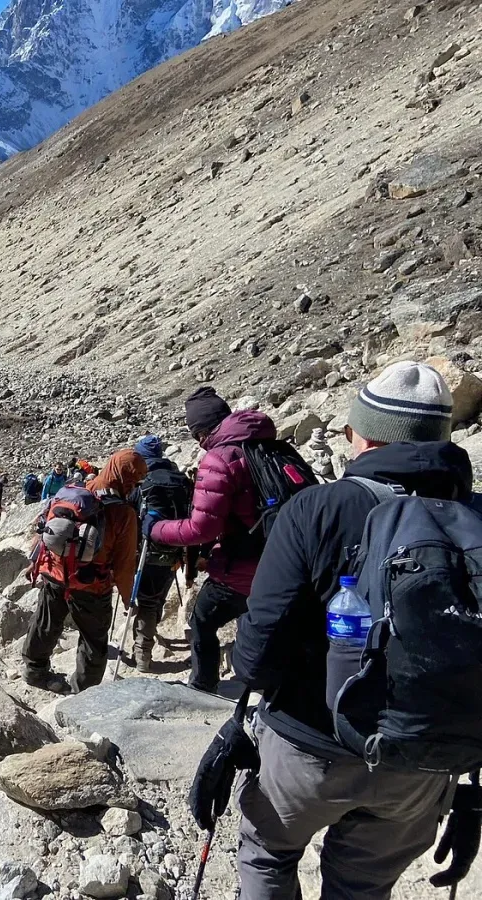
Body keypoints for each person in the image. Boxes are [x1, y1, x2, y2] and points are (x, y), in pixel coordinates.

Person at [232, 362, 466, 899]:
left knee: (267, 855)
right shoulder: (473, 517)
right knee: (362, 885)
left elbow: (258, 651)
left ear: (361, 434)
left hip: (311, 742)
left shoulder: (318, 507)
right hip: (425, 755)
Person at [147, 387, 277, 694]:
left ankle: (203, 687)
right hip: (283, 559)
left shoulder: (220, 458)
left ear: (201, 431)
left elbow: (201, 529)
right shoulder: (270, 446)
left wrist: (156, 529)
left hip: (243, 564)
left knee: (202, 621)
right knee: (255, 618)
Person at [23, 450, 147, 693]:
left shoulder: (77, 491)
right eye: (136, 481)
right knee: (93, 639)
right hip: (93, 585)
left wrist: (35, 561)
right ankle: (85, 692)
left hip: (55, 573)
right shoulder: (124, 514)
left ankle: (34, 670)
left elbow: (45, 526)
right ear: (128, 479)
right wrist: (128, 597)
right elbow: (124, 566)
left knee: (45, 622)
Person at [130, 435, 194, 673]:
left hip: (144, 551)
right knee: (155, 598)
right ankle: (146, 636)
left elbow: (131, 514)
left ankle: (142, 655)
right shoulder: (182, 480)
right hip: (174, 550)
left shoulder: (142, 482)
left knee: (144, 601)